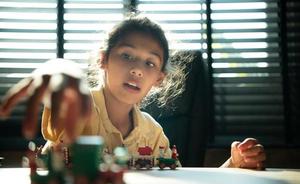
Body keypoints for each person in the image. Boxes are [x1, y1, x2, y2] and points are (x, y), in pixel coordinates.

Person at [0, 16, 265, 169]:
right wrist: (61, 68)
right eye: (127, 55)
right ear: (102, 60)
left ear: (159, 79)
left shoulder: (153, 132)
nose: (137, 69)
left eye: (149, 62)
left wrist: (233, 165)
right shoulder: (79, 104)